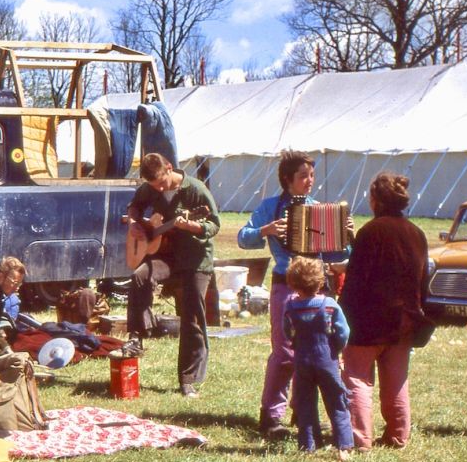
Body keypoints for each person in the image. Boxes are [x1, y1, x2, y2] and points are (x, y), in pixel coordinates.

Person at [237, 149, 350, 438]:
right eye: (303, 176)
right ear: (287, 179)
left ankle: (304, 412)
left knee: (315, 351)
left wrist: (346, 235)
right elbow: (243, 238)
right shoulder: (270, 207)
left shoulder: (319, 209)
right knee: (285, 353)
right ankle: (271, 416)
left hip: (317, 287)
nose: (310, 181)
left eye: (312, 175)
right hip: (285, 284)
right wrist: (266, 230)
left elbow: (336, 254)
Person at [340, 171, 428, 451]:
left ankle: (359, 439)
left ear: (376, 200)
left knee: (357, 377)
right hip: (404, 321)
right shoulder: (417, 233)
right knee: (396, 380)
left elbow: (356, 281)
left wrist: (341, 315)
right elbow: (423, 281)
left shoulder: (370, 232)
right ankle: (398, 435)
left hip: (368, 321)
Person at [123, 152, 220, 398]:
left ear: (169, 167)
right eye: (153, 185)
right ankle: (137, 336)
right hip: (167, 256)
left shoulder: (195, 190)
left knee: (191, 316)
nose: (158, 188)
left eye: (161, 182)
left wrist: (193, 226)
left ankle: (188, 379)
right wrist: (135, 223)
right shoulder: (151, 187)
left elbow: (214, 224)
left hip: (195, 258)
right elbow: (134, 206)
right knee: (140, 276)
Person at [282, 256, 353, 461]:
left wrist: (296, 342)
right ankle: (343, 445)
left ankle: (308, 444)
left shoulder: (291, 306)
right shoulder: (329, 305)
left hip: (302, 359)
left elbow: (287, 332)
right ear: (320, 281)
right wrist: (336, 348)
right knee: (336, 401)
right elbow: (343, 332)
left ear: (292, 283)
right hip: (326, 359)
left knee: (305, 403)